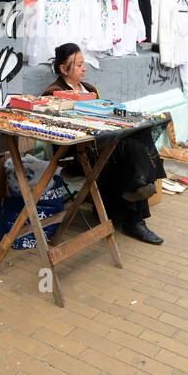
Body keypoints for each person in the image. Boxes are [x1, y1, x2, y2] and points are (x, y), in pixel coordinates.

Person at [43, 42, 166, 245]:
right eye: (79, 65)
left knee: (139, 132)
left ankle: (140, 187)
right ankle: (138, 209)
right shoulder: (53, 94)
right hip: (78, 152)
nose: (85, 68)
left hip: (101, 144)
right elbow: (63, 132)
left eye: (84, 64)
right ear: (64, 69)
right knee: (130, 149)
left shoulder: (90, 89)